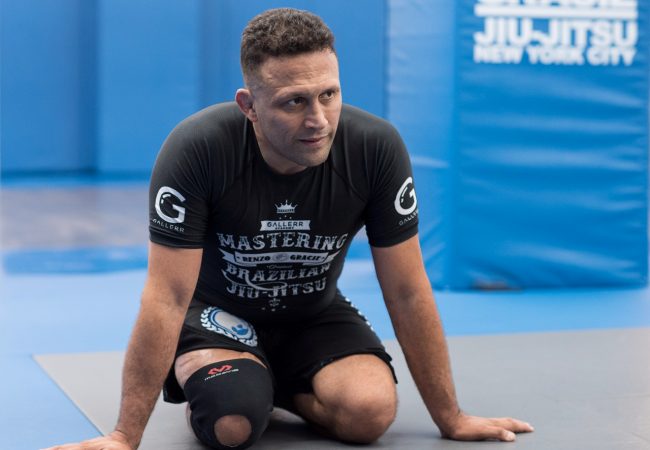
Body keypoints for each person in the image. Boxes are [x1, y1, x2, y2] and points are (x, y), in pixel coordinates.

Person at [46, 8, 534, 450]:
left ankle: (273, 386)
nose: (318, 120)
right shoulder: (197, 150)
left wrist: (451, 417)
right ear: (249, 106)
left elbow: (407, 291)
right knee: (232, 424)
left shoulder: (376, 149)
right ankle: (234, 384)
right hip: (216, 316)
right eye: (294, 102)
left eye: (329, 95)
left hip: (312, 315)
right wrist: (124, 436)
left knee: (369, 415)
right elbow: (166, 297)